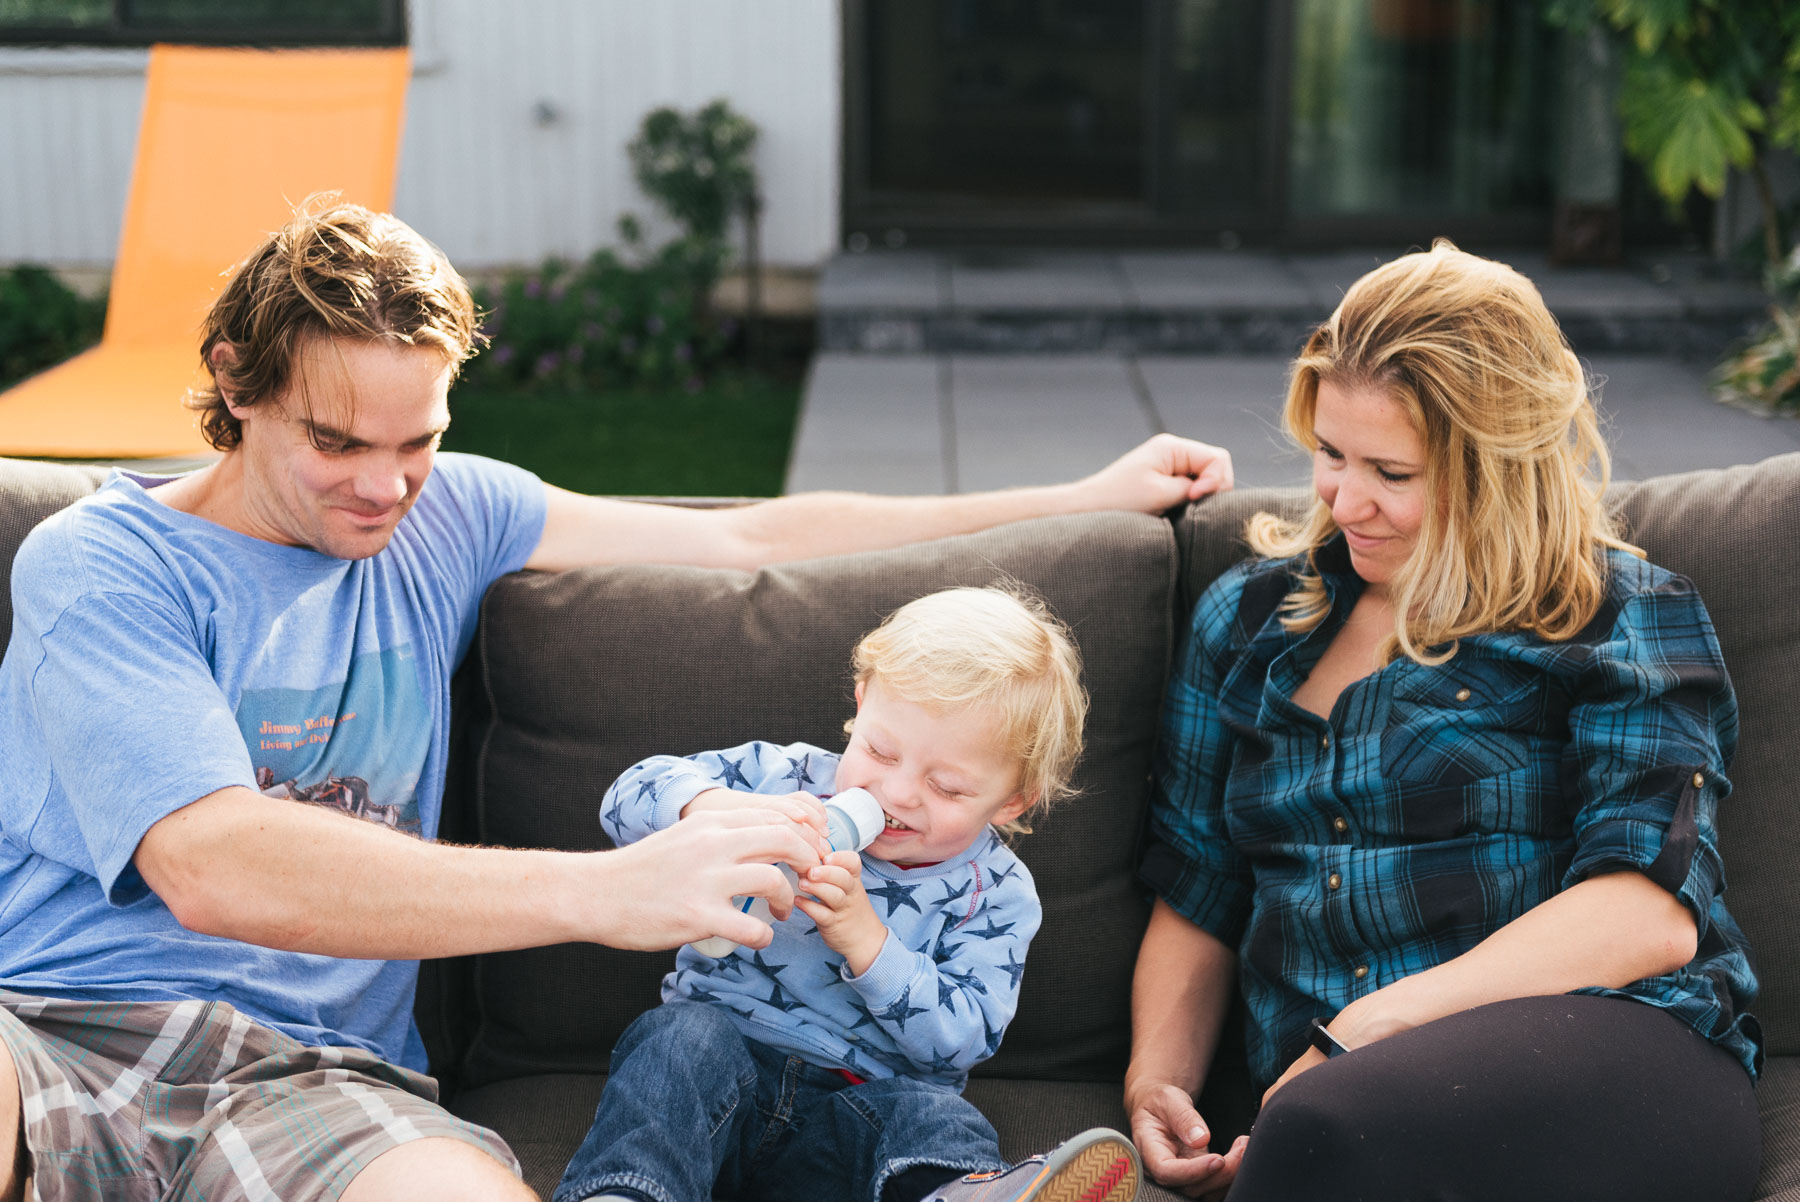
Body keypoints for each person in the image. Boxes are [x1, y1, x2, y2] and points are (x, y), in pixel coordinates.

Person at [0, 202, 1230, 1202]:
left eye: (418, 439)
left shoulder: (450, 516)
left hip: (324, 1080)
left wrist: (1083, 494)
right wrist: (609, 889)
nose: (385, 489)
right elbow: (212, 862)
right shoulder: (101, 563)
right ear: (236, 380)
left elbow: (757, 529)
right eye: (337, 443)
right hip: (60, 1027)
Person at [1125, 240, 1762, 1201]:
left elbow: (1647, 909)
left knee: (1319, 1135)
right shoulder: (1247, 620)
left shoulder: (1615, 612)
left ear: (1498, 468)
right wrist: (1156, 1085)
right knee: (1323, 1139)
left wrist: (1365, 1032)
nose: (1345, 501)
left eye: (1392, 471)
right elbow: (1199, 891)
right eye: (1330, 455)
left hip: (1613, 1053)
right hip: (1336, 1117)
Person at [554, 586, 1140, 1202]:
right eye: (881, 751)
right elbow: (626, 797)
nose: (900, 793)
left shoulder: (994, 894)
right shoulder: (786, 779)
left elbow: (965, 1041)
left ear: (1015, 799)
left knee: (934, 1118)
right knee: (675, 1043)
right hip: (719, 1085)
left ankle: (958, 1194)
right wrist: (722, 810)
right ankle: (627, 1193)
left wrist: (870, 946)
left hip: (852, 1115)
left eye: (947, 787)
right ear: (861, 706)